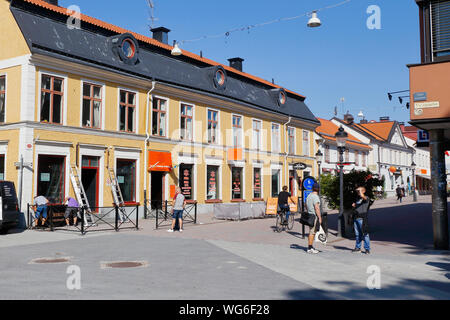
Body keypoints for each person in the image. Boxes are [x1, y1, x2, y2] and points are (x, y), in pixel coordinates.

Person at [351, 186, 372, 254]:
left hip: (362, 219)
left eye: (359, 191)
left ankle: (367, 249)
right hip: (356, 218)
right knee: (357, 234)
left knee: (365, 234)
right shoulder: (357, 199)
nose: (357, 192)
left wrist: (360, 191)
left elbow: (364, 197)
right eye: (357, 191)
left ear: (363, 191)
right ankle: (358, 248)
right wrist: (354, 206)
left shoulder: (366, 198)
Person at [305, 183, 322, 254]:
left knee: (311, 231)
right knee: (312, 232)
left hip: (309, 215)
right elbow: (317, 208)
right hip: (313, 216)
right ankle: (310, 248)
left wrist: (309, 210)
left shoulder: (309, 195)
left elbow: (305, 205)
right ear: (318, 189)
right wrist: (320, 217)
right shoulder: (315, 196)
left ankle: (310, 246)